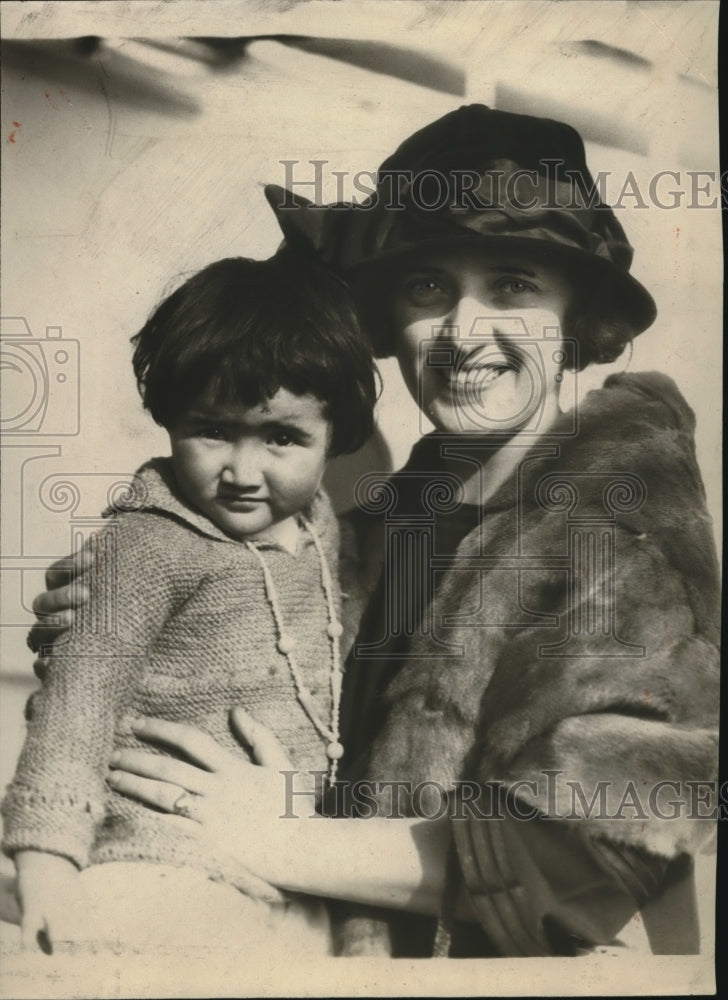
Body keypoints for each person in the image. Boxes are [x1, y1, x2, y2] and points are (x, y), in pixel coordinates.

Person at [25, 105, 720, 958]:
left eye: (512, 284)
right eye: (429, 288)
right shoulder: (370, 529)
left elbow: (605, 843)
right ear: (389, 318)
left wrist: (280, 839)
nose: (465, 334)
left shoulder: (622, 517)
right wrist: (121, 597)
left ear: (574, 320)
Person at [2, 249, 378, 956]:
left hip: (284, 874)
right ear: (171, 418)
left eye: (282, 438)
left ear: (336, 436)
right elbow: (80, 701)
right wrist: (46, 864)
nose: (241, 471)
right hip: (159, 867)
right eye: (212, 429)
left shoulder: (325, 532)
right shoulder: (149, 543)